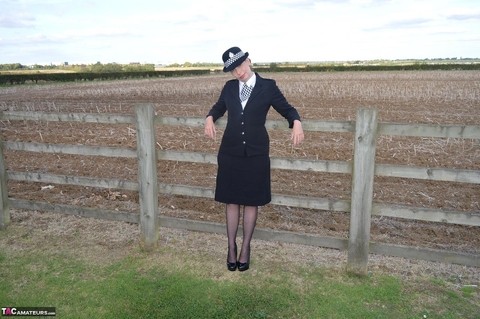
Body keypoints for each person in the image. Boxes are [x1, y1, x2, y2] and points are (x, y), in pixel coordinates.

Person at [204, 46, 304, 271]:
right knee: (231, 201)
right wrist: (210, 117)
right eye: (232, 70)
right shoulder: (229, 88)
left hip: (256, 154)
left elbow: (287, 109)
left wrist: (296, 122)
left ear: (248, 61)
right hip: (230, 152)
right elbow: (219, 107)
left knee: (251, 201)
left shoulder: (268, 86)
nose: (238, 72)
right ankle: (231, 247)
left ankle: (245, 248)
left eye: (240, 66)